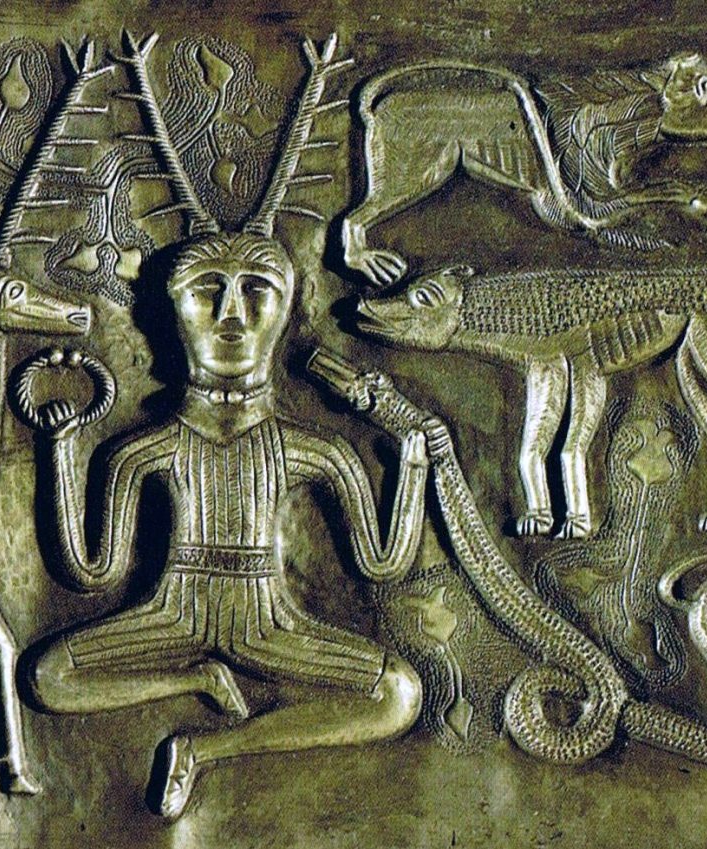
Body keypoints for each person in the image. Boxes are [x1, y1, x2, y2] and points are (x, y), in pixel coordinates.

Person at [31, 230, 445, 818]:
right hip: (170, 616)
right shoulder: (141, 452)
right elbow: (91, 573)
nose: (231, 315)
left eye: (256, 291)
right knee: (47, 678)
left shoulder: (316, 451)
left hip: (270, 622)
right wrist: (57, 448)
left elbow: (382, 564)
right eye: (208, 290)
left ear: (285, 312)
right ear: (171, 313)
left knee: (398, 693)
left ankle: (205, 750)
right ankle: (195, 680)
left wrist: (412, 466)